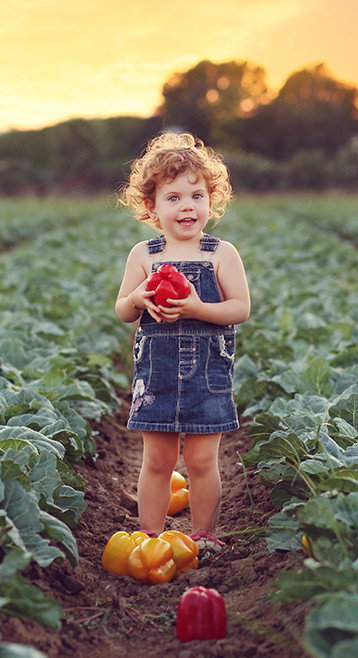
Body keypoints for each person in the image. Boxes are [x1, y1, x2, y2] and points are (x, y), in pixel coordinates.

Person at [115, 132, 251, 550]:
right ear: (151, 207)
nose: (187, 206)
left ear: (212, 201)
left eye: (197, 195)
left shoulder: (220, 254)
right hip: (157, 376)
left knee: (201, 460)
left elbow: (240, 308)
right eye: (173, 198)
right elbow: (122, 310)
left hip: (207, 376)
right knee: (157, 460)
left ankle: (203, 534)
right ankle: (151, 536)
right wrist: (137, 298)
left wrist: (196, 308)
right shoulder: (144, 254)